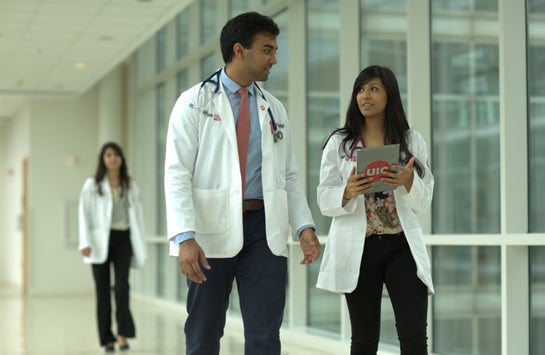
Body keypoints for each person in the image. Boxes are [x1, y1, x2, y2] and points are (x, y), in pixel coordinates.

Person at [164, 11, 321, 355]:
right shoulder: (194, 102)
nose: (274, 59)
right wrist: (185, 235)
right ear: (240, 50)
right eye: (267, 50)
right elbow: (177, 173)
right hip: (210, 231)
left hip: (264, 230)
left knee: (265, 335)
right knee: (204, 332)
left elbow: (289, 175)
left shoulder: (274, 109)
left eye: (275, 50)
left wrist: (303, 226)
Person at [316, 65, 435, 355]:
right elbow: (323, 198)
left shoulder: (411, 141)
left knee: (413, 335)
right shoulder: (340, 143)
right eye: (360, 89)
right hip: (360, 247)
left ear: (389, 95)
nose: (364, 95)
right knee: (364, 339)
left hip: (401, 246)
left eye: (373, 88)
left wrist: (409, 183)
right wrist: (347, 192)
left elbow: (424, 201)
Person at [78, 142, 147, 353]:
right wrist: (85, 242)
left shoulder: (130, 185)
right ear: (103, 159)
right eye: (109, 155)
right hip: (100, 240)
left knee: (122, 288)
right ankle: (106, 338)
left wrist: (140, 241)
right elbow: (84, 214)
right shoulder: (92, 185)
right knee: (102, 291)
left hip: (123, 238)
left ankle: (122, 333)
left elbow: (138, 215)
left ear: (121, 159)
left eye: (116, 154)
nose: (113, 158)